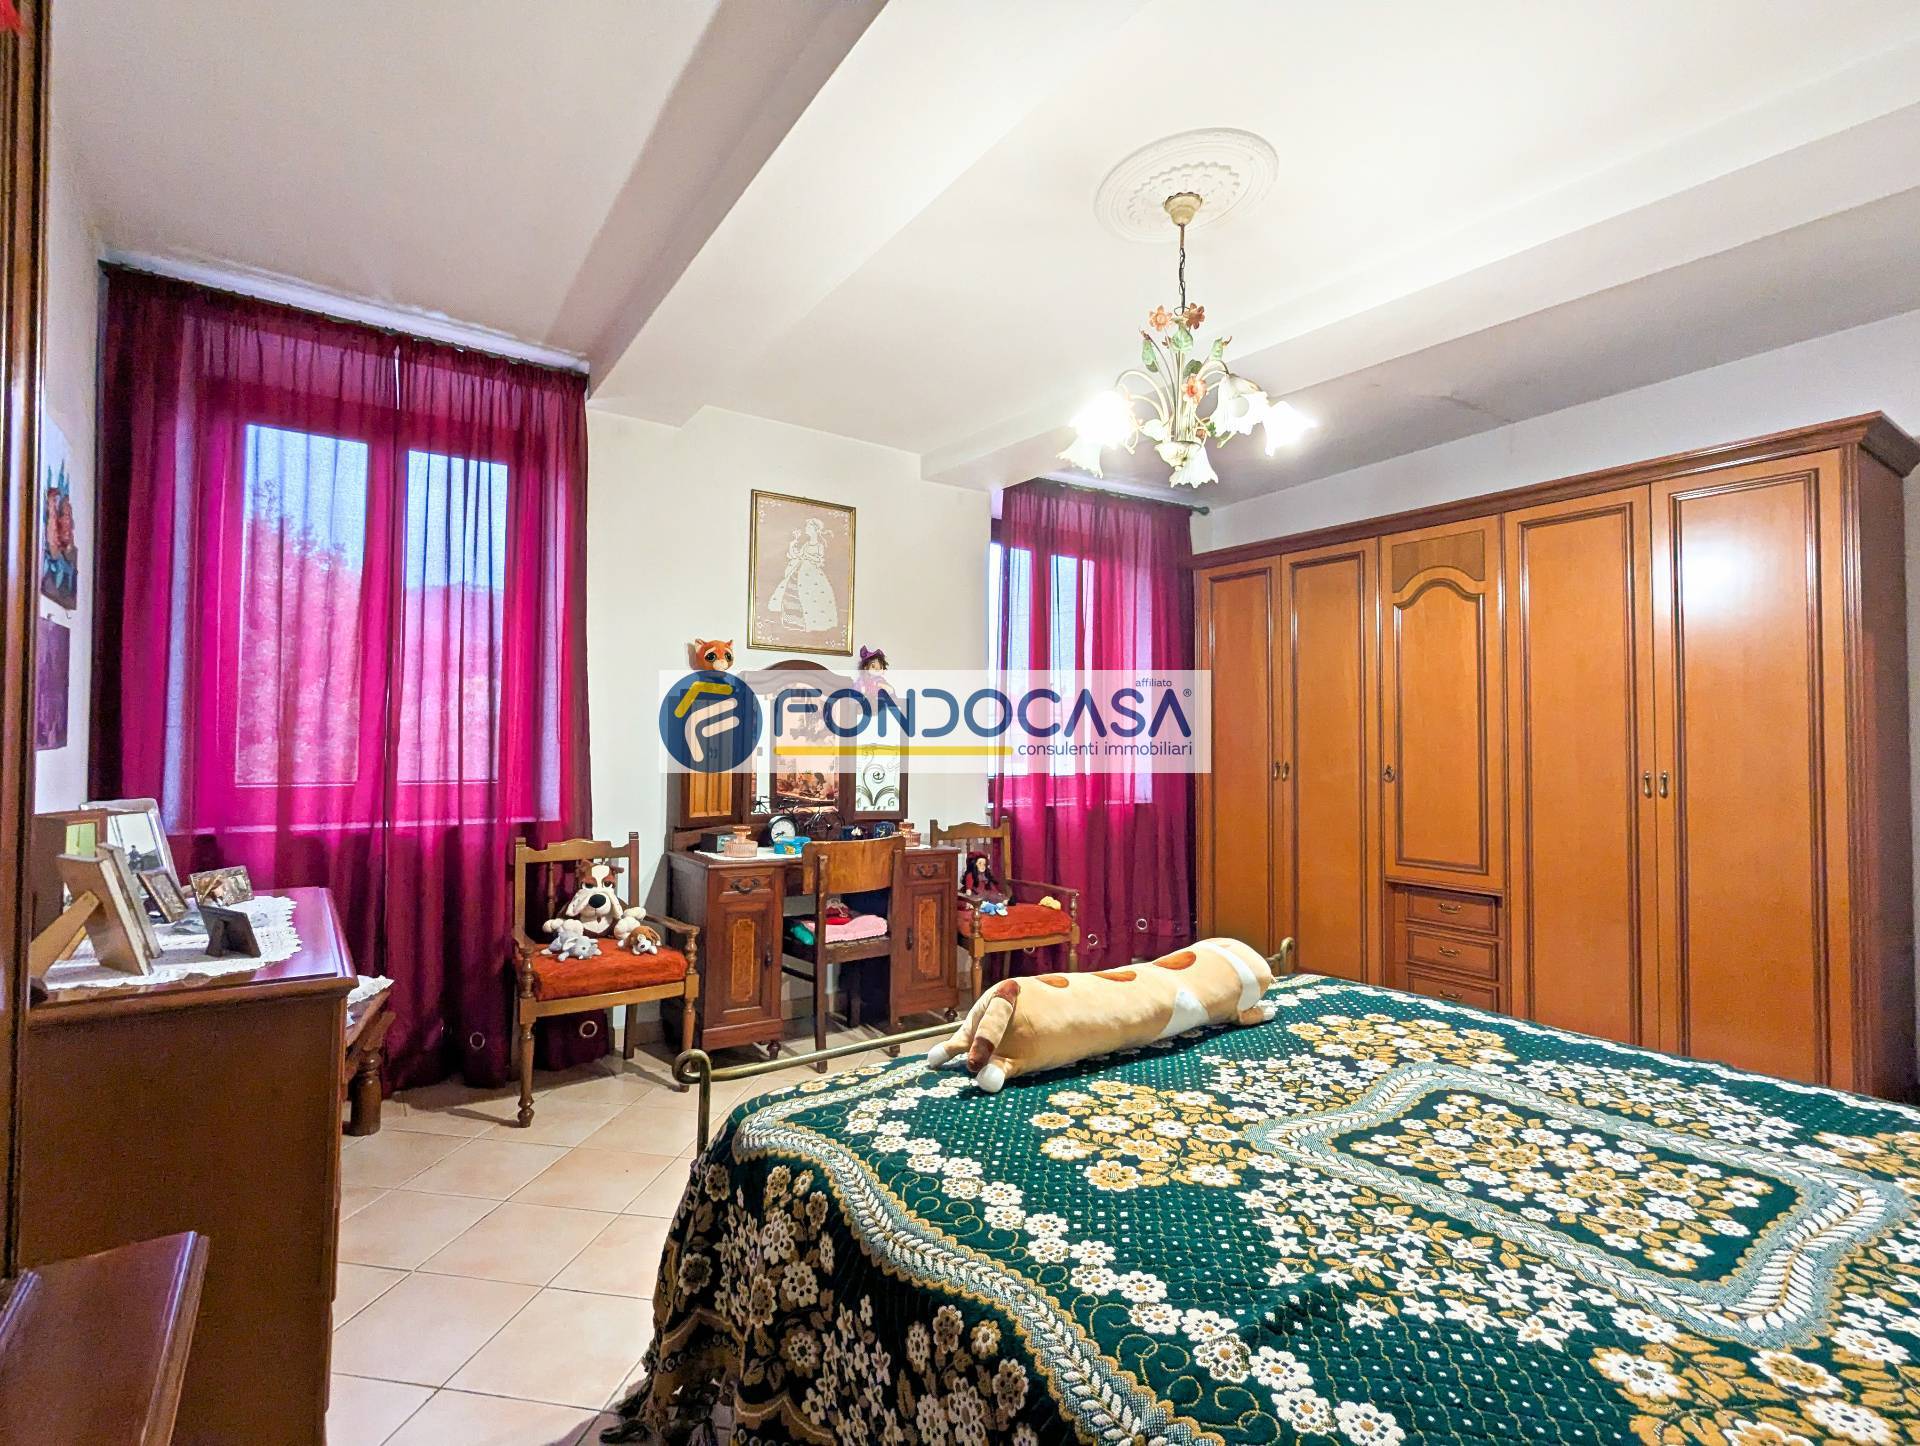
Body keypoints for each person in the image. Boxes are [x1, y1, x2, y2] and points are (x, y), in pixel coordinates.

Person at [767, 518, 838, 632]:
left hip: (812, 574)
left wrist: (807, 556)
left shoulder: (819, 546)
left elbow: (819, 561)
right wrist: (793, 544)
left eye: (809, 527)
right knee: (793, 594)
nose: (806, 529)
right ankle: (792, 621)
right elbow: (797, 556)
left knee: (810, 598)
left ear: (815, 529)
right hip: (799, 572)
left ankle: (807, 623)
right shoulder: (806, 544)